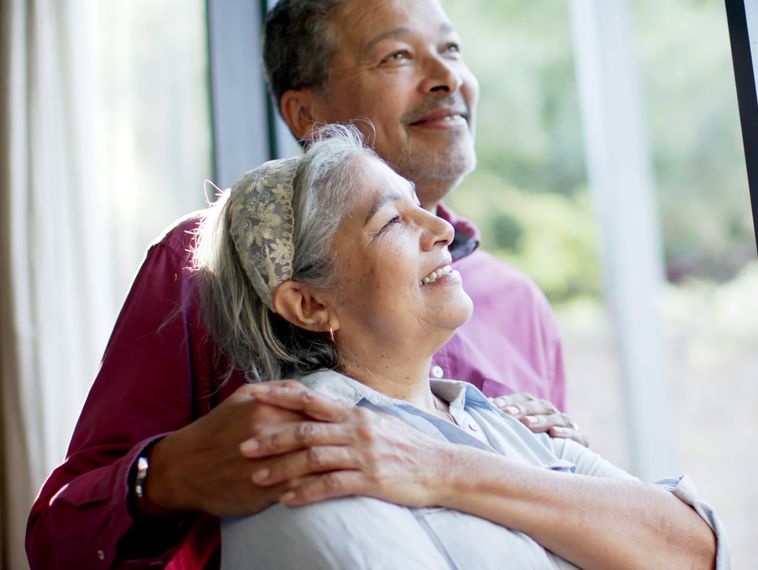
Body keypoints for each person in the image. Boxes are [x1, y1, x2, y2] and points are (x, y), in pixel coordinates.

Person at [25, 0, 584, 567]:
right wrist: (170, 473)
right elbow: (55, 543)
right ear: (307, 116)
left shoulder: (521, 308)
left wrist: (559, 472)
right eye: (397, 55)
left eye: (452, 50)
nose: (448, 79)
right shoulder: (202, 268)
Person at [201, 124, 728, 570]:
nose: (442, 229)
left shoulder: (498, 420)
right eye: (391, 222)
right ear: (311, 305)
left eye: (420, 206)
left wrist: (446, 470)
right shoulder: (311, 449)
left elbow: (696, 549)